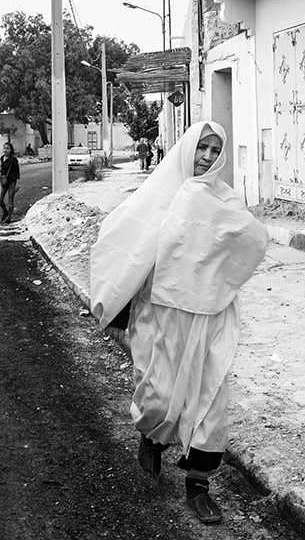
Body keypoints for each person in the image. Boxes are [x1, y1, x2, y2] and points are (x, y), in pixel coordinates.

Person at [90, 121, 268, 525]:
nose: (207, 156)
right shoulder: (161, 196)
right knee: (158, 392)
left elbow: (253, 240)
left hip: (211, 315)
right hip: (162, 314)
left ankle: (199, 487)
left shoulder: (226, 200)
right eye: (201, 147)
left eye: (214, 150)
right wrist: (117, 305)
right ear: (188, 149)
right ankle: (151, 436)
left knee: (209, 401)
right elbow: (126, 245)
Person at [0, 142, 20, 223]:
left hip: (12, 182)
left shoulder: (13, 159)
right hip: (4, 181)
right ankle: (5, 212)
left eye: (7, 148)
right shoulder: (2, 158)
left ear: (11, 150)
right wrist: (0, 174)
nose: (5, 150)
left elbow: (17, 171)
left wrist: (17, 183)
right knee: (0, 200)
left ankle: (9, 218)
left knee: (10, 200)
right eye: (4, 148)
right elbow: (2, 169)